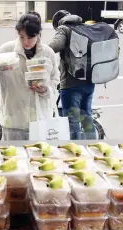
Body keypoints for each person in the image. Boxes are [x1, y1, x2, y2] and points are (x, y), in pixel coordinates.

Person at [0, 11, 60, 141]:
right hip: (13, 121)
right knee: (13, 158)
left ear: (38, 34)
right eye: (22, 37)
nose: (26, 42)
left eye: (30, 37)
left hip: (38, 120)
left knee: (38, 158)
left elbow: (55, 81)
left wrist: (45, 90)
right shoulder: (8, 49)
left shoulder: (48, 53)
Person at [48, 10, 97, 140]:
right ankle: (92, 148)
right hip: (89, 81)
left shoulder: (64, 28)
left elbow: (54, 46)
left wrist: (39, 50)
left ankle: (75, 153)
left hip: (71, 84)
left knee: (72, 122)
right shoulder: (84, 27)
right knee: (86, 118)